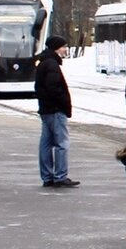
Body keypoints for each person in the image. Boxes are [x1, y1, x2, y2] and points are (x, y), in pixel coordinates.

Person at [35, 35, 79, 188]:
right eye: (63, 46)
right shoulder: (52, 64)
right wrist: (64, 103)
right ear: (56, 48)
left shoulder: (43, 63)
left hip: (46, 110)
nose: (66, 49)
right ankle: (60, 176)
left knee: (46, 143)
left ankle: (47, 176)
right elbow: (53, 88)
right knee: (62, 143)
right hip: (55, 110)